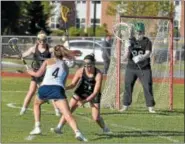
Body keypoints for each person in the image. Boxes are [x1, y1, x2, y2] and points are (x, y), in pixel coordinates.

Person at [27, 45, 87, 142]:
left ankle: (37, 127)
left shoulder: (48, 61)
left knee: (36, 104)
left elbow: (38, 74)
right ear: (63, 54)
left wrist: (30, 72)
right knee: (67, 114)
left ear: (54, 53)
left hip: (44, 88)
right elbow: (62, 84)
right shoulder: (66, 67)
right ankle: (77, 132)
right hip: (58, 89)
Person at [52, 54, 111, 134]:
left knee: (96, 118)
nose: (87, 67)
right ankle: (59, 128)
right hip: (81, 91)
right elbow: (73, 84)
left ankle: (105, 128)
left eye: (89, 65)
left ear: (93, 64)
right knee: (68, 109)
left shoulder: (98, 74)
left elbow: (95, 92)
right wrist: (64, 87)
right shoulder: (80, 71)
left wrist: (84, 101)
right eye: (86, 65)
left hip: (93, 94)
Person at [19, 31, 60, 116]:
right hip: (36, 73)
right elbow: (24, 55)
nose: (42, 42)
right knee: (31, 92)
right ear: (38, 40)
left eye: (44, 40)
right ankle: (23, 109)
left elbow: (56, 58)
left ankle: (57, 111)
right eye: (40, 40)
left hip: (46, 74)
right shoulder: (33, 48)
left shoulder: (50, 49)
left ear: (46, 40)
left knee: (50, 93)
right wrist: (20, 55)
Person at [120, 22, 156, 113]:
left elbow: (148, 53)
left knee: (147, 86)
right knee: (128, 86)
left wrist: (140, 57)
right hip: (131, 68)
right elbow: (125, 56)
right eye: (137, 32)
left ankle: (150, 106)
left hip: (144, 68)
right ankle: (125, 105)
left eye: (140, 32)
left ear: (143, 32)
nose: (138, 34)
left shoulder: (147, 41)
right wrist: (127, 47)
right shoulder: (130, 41)